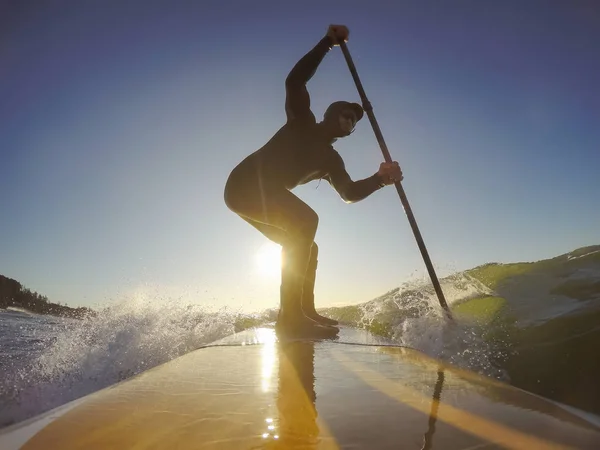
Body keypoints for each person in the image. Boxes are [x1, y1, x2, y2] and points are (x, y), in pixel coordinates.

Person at [224, 25, 403, 339]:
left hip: (263, 195)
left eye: (353, 120)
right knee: (306, 222)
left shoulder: (331, 161)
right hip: (243, 185)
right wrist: (327, 44)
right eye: (345, 113)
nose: (349, 120)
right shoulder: (302, 122)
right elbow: (294, 80)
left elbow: (348, 192)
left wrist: (380, 179)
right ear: (331, 113)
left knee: (308, 243)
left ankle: (305, 311)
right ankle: (290, 318)